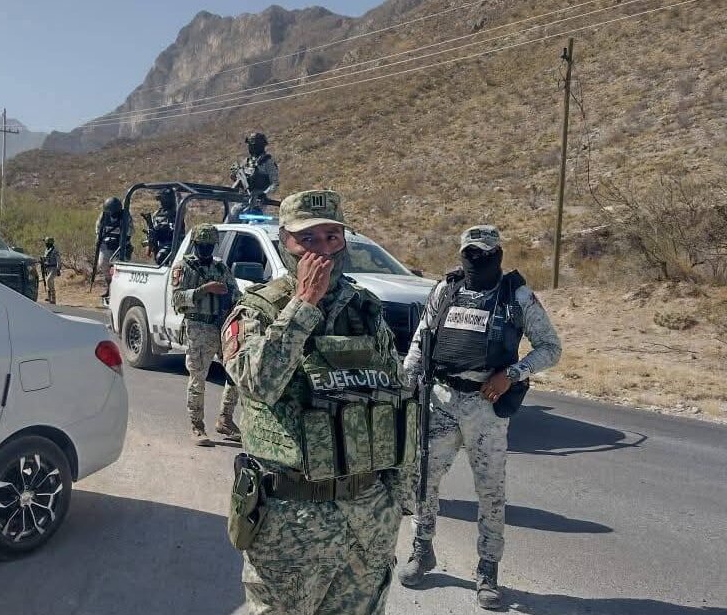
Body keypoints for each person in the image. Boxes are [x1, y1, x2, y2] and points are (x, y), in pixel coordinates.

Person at [221, 190, 415, 614]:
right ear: (284, 242)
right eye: (307, 239)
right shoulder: (257, 310)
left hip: (367, 517)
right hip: (292, 521)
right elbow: (258, 382)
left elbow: (396, 398)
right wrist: (304, 303)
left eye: (332, 237)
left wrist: (399, 500)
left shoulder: (365, 309)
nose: (323, 249)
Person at [397, 225, 562, 609]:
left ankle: (488, 571)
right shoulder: (445, 290)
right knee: (422, 482)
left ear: (498, 255)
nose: (478, 259)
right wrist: (406, 387)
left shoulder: (516, 296)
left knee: (490, 493)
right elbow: (422, 340)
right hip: (439, 402)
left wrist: (512, 375)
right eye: (471, 253)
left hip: (486, 410)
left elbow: (551, 348)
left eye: (485, 254)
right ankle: (422, 551)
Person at [171, 223, 242, 446]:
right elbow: (177, 299)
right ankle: (197, 426)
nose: (206, 250)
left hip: (222, 327)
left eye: (210, 246)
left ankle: (225, 419)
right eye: (202, 246)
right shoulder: (185, 267)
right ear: (195, 245)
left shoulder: (221, 268)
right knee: (197, 380)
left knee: (236, 375)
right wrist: (204, 290)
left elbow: (236, 293)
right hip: (198, 328)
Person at [228, 132, 279, 222]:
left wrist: (263, 193)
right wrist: (235, 175)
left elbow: (274, 183)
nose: (250, 147)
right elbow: (236, 179)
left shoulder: (268, 162)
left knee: (251, 223)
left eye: (252, 145)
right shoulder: (246, 162)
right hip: (242, 200)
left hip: (256, 202)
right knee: (230, 220)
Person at [94, 196, 133, 298]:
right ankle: (109, 287)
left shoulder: (125, 216)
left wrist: (124, 239)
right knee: (103, 264)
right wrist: (98, 237)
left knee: (118, 269)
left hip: (120, 246)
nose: (111, 213)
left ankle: (117, 291)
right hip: (106, 245)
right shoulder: (104, 215)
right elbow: (98, 227)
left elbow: (130, 231)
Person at [143, 187, 182, 265]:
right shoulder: (157, 214)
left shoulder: (177, 213)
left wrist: (177, 194)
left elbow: (182, 206)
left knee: (162, 258)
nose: (161, 202)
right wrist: (149, 246)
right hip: (159, 245)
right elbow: (152, 232)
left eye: (162, 200)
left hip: (173, 246)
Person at [41, 237, 62, 304]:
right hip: (48, 268)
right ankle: (51, 298)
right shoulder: (46, 250)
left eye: (46, 243)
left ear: (50, 243)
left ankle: (52, 298)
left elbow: (58, 260)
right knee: (50, 283)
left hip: (54, 268)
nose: (45, 244)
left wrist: (58, 269)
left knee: (49, 280)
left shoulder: (55, 250)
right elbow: (46, 258)